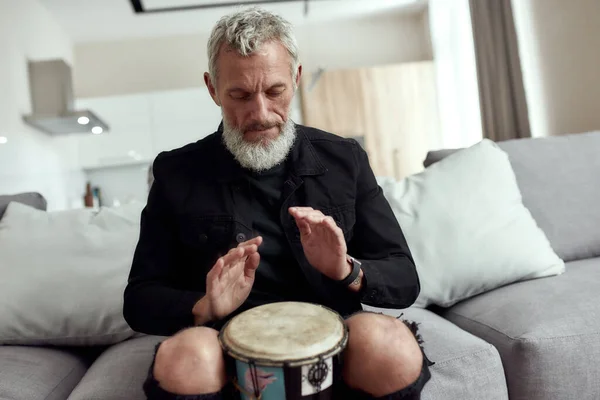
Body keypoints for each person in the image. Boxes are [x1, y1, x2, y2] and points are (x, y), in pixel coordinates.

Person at [124, 7, 432, 400]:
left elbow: (404, 277)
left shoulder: (345, 159)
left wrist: (346, 270)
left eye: (275, 91)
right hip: (226, 349)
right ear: (213, 89)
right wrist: (205, 306)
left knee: (389, 343)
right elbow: (140, 298)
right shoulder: (175, 173)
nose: (260, 114)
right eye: (239, 95)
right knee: (186, 357)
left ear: (297, 79)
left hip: (334, 342)